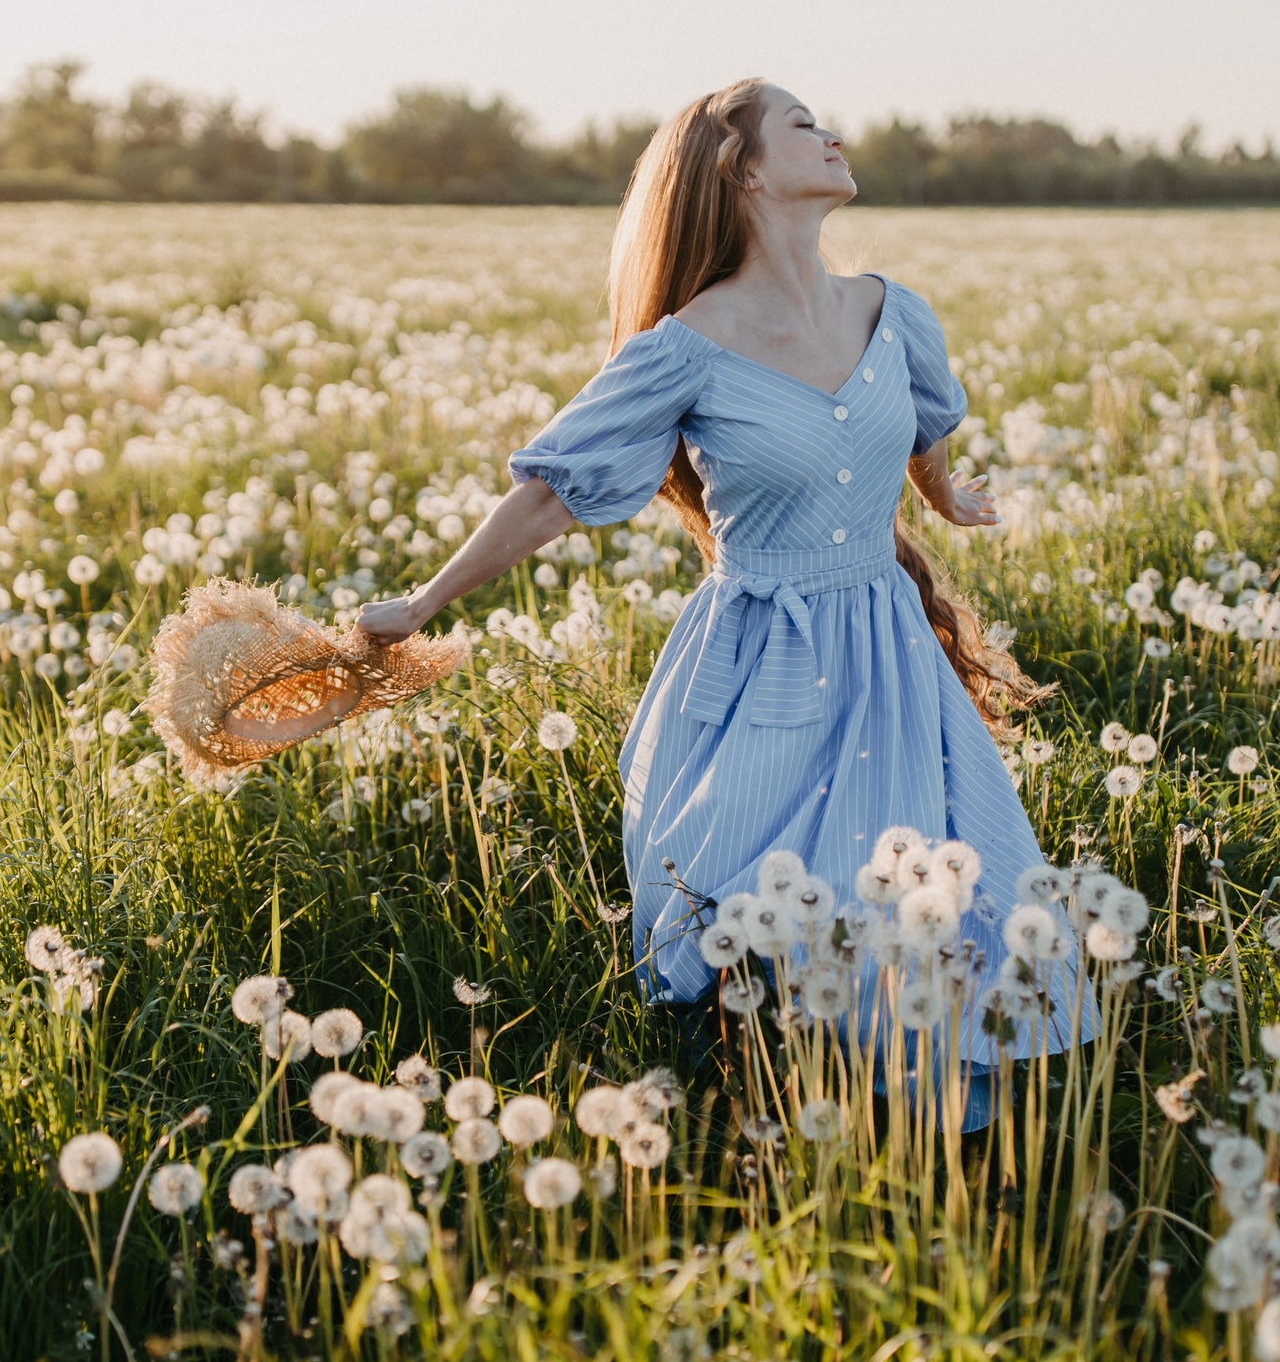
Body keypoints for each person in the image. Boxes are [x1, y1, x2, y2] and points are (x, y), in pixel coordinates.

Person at [354, 79, 1085, 1104]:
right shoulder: (682, 348)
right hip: (760, 663)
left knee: (923, 883)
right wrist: (422, 602)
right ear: (742, 170)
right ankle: (764, 1088)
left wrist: (943, 492)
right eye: (799, 124)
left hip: (886, 651)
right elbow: (550, 495)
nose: (831, 134)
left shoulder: (891, 310)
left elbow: (916, 419)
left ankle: (926, 1106)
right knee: (768, 899)